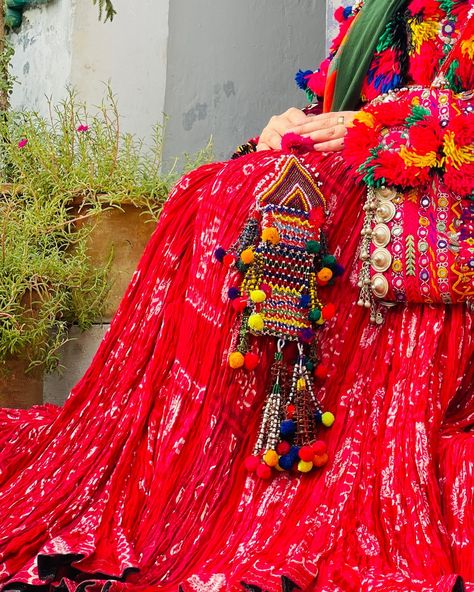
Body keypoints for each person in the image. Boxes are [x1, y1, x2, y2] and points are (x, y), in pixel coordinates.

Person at [0, 0, 472, 590]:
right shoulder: (388, 9)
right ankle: (187, 480)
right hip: (386, 158)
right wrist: (299, 119)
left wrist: (391, 119)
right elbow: (344, 104)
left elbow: (395, 115)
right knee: (214, 195)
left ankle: (258, 480)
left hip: (442, 184)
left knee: (281, 207)